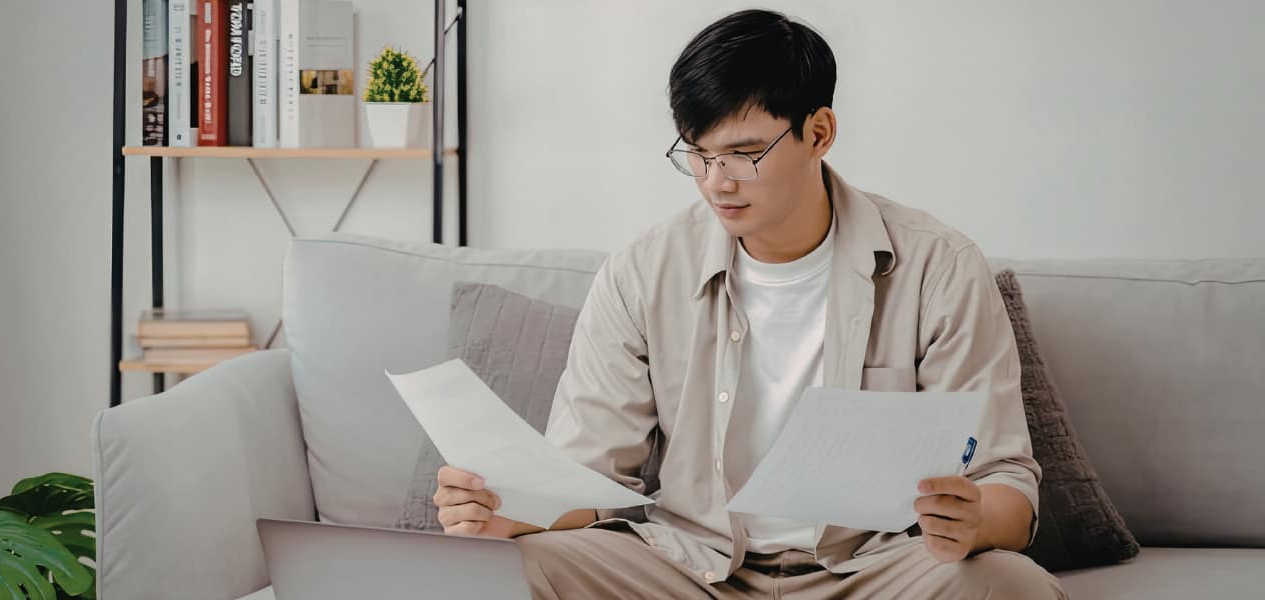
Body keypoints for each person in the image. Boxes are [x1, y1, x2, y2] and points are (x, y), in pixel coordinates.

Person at [433, 9, 1067, 599]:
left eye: (743, 153)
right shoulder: (641, 272)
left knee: (1009, 586)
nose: (718, 181)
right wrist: (513, 510)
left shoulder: (939, 266)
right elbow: (592, 482)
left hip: (871, 570)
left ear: (818, 133)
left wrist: (977, 521)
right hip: (689, 568)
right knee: (516, 570)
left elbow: (1004, 475)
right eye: (698, 153)